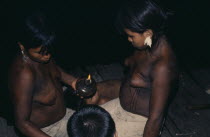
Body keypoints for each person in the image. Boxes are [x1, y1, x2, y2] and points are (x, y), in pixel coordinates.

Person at [85, 0, 179, 137]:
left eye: (131, 36)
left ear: (147, 33)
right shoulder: (146, 45)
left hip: (140, 120)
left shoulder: (162, 67)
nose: (129, 40)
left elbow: (155, 119)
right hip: (122, 105)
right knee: (86, 124)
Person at [8, 12, 78, 137]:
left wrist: (74, 82)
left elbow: (55, 71)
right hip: (46, 131)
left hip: (65, 117)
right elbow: (22, 123)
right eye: (41, 52)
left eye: (49, 50)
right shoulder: (24, 75)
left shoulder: (42, 55)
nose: (48, 56)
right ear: (22, 46)